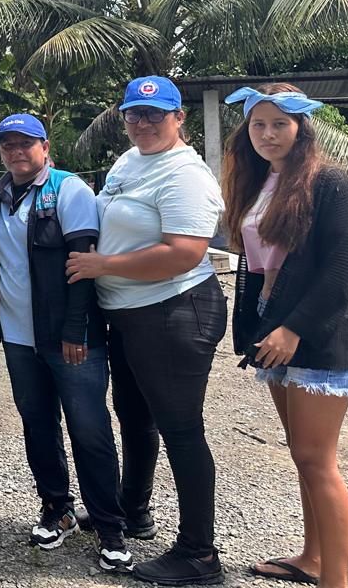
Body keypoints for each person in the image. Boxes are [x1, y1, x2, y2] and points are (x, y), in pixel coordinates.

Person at [66, 76, 227, 585]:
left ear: (179, 118)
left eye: (156, 114)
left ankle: (199, 552)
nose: (143, 123)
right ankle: (132, 509)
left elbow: (185, 252)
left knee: (181, 429)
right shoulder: (130, 160)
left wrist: (102, 265)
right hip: (129, 312)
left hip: (174, 310)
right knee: (134, 417)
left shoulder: (185, 174)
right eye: (134, 113)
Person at [222, 84, 348, 588]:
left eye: (280, 124)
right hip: (274, 329)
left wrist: (293, 328)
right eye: (258, 124)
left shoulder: (328, 181)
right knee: (301, 455)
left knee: (317, 460)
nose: (268, 134)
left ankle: (337, 581)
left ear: (301, 127)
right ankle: (311, 559)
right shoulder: (261, 180)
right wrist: (261, 328)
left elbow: (341, 271)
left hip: (319, 333)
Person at [0, 114, 131, 571]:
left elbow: (83, 263)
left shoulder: (68, 190)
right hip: (18, 337)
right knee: (37, 425)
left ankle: (110, 526)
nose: (16, 152)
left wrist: (75, 330)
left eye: (25, 143)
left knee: (89, 430)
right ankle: (56, 509)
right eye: (7, 145)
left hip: (71, 339)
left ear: (45, 147)